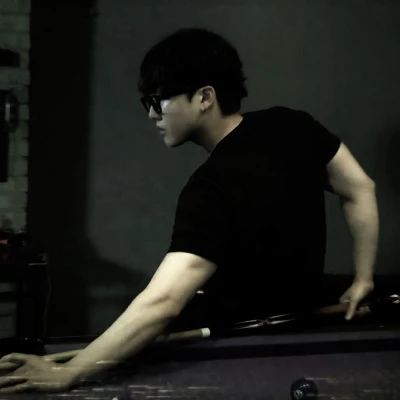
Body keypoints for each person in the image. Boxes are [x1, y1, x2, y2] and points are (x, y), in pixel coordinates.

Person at [0, 27, 378, 393]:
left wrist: (69, 372)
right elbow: (360, 188)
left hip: (229, 359)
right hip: (295, 339)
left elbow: (163, 302)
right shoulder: (292, 123)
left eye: (158, 101)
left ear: (204, 97)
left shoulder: (211, 186)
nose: (152, 115)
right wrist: (363, 278)